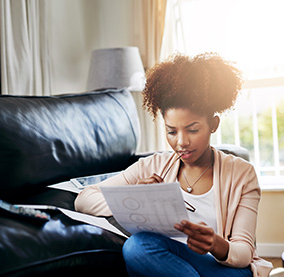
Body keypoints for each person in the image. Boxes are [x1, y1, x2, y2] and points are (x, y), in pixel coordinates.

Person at [74, 53, 273, 277]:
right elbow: (84, 198)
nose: (181, 142)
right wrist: (133, 198)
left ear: (213, 124)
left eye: (193, 130)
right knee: (137, 246)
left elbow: (244, 253)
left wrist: (216, 244)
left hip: (222, 269)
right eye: (171, 131)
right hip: (170, 263)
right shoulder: (151, 166)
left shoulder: (241, 174)